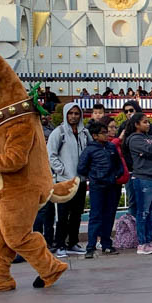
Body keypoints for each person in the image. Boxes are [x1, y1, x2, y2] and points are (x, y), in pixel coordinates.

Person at [47, 103, 90, 256]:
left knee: (77, 213)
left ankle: (73, 243)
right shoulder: (59, 133)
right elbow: (51, 154)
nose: (73, 116)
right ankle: (60, 245)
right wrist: (63, 171)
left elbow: (90, 151)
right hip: (64, 181)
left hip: (80, 180)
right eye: (70, 113)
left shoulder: (84, 133)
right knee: (63, 214)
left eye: (76, 113)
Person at [78, 121, 125, 258]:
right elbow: (81, 167)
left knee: (109, 215)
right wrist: (94, 176)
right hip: (97, 186)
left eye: (106, 132)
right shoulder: (90, 150)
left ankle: (106, 244)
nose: (106, 135)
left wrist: (115, 176)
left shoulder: (111, 147)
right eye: (103, 133)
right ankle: (90, 246)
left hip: (111, 185)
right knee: (95, 216)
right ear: (95, 135)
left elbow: (119, 165)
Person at [127, 112, 152, 255]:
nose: (148, 124)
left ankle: (149, 241)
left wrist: (151, 152)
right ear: (136, 124)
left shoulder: (150, 138)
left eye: (148, 122)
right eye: (144, 122)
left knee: (150, 213)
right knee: (143, 212)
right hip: (143, 178)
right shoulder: (134, 139)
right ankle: (142, 243)